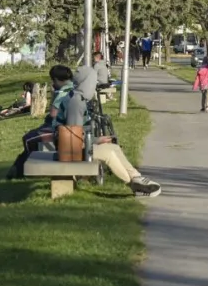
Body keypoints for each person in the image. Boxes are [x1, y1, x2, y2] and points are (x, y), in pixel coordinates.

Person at [66, 66, 161, 196]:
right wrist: (97, 140)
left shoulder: (80, 99)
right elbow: (74, 135)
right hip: (73, 150)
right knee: (108, 153)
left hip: (80, 145)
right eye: (93, 82)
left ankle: (136, 177)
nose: (95, 85)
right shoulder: (76, 103)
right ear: (87, 82)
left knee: (114, 148)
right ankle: (133, 185)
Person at [6, 65, 75, 180]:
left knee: (28, 139)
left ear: (56, 79)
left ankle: (27, 169)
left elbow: (53, 113)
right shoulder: (73, 87)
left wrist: (54, 98)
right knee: (32, 138)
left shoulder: (63, 92)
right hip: (64, 127)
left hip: (59, 129)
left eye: (53, 80)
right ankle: (16, 170)